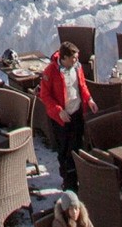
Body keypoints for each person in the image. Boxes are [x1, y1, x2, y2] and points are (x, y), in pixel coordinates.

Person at [38, 40, 94, 190]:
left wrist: (89, 99)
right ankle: (68, 182)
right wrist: (58, 111)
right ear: (63, 58)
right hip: (61, 117)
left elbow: (82, 86)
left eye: (76, 58)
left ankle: (77, 179)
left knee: (76, 148)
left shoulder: (77, 67)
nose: (76, 60)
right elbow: (44, 95)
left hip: (76, 112)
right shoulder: (51, 71)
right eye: (73, 58)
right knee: (64, 151)